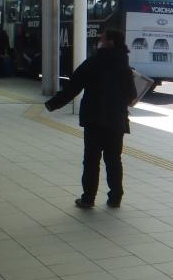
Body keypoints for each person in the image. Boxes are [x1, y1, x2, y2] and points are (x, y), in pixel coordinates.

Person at [44, 29, 137, 209]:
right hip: (116, 120)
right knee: (114, 160)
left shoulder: (94, 62)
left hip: (95, 120)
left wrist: (53, 104)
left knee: (91, 161)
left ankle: (88, 199)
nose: (99, 40)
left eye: (102, 38)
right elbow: (131, 95)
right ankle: (115, 198)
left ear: (110, 42)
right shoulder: (124, 65)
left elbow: (73, 86)